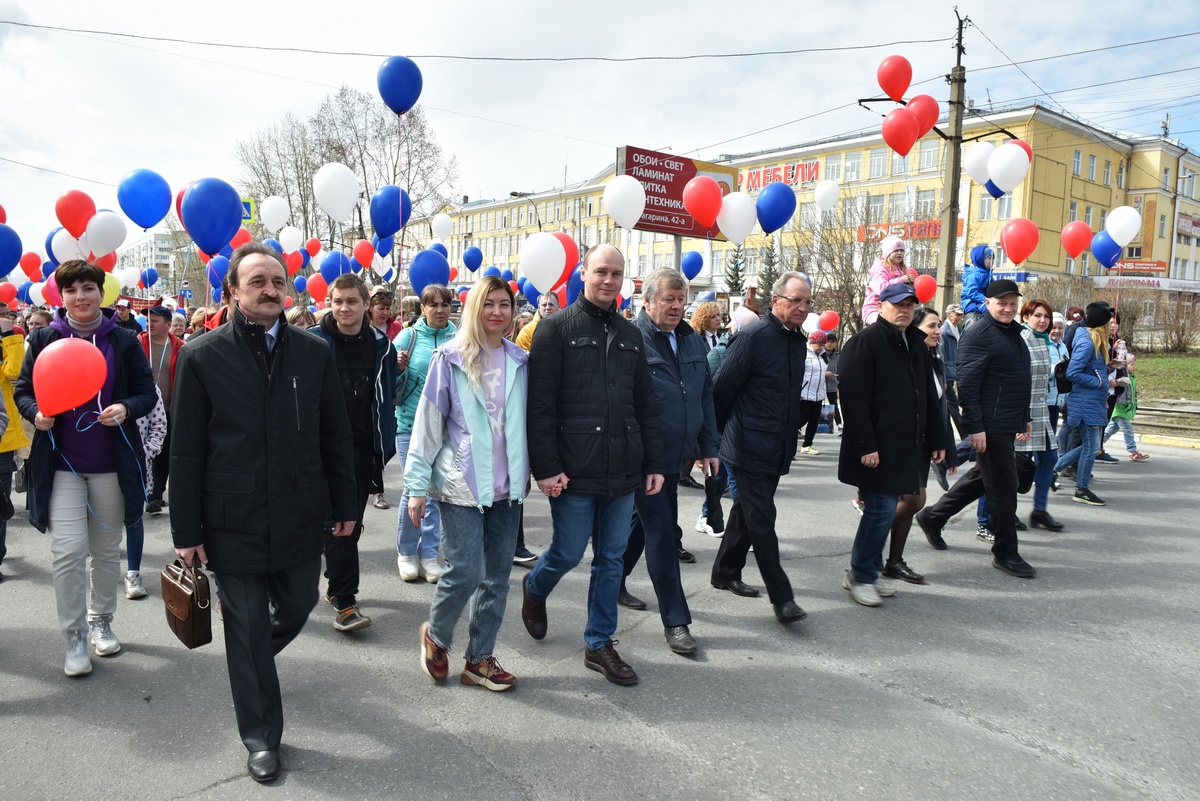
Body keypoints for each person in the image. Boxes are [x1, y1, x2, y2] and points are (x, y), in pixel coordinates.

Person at [170, 242, 357, 783]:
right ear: (233, 291)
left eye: (278, 280)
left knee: (297, 607)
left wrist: (345, 503)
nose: (271, 289)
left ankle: (248, 659)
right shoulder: (202, 355)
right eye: (258, 281)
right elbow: (186, 451)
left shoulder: (314, 351)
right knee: (248, 626)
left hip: (300, 511)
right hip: (232, 519)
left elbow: (335, 435)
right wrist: (187, 531)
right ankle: (260, 738)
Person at [521, 244, 665, 686]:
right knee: (566, 552)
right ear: (583, 273)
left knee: (611, 559)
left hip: (623, 468)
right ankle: (535, 588)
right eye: (601, 271)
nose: (609, 280)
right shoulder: (554, 329)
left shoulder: (630, 334)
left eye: (617, 273)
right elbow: (539, 406)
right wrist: (545, 468)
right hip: (573, 469)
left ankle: (599, 643)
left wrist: (654, 460)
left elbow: (645, 401)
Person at [14, 260, 157, 676]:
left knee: (105, 552)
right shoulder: (43, 338)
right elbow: (25, 390)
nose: (81, 297)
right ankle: (75, 635)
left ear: (102, 293)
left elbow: (146, 394)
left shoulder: (125, 341)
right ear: (62, 297)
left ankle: (101, 621)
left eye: (89, 288)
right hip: (62, 467)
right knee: (67, 552)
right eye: (72, 289)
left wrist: (125, 407)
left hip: (112, 466)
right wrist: (36, 411)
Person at [406, 275, 529, 691]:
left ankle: (479, 660)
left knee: (496, 578)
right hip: (461, 483)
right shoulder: (450, 358)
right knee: (467, 570)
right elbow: (429, 423)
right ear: (475, 308)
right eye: (489, 303)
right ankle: (437, 636)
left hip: (507, 487)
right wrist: (417, 485)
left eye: (505, 304)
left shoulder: (520, 361)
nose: (497, 311)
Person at [618, 268, 718, 655]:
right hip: (645, 459)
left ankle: (611, 584)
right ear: (648, 302)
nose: (677, 307)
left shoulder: (692, 340)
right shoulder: (631, 340)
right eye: (669, 300)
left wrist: (708, 444)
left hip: (678, 454)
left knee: (641, 525)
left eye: (682, 300)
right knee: (662, 533)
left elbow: (704, 395)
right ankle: (676, 620)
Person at [915, 280, 1036, 579]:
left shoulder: (1013, 333)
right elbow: (967, 385)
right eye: (1002, 302)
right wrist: (975, 428)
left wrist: (1025, 416)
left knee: (985, 477)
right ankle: (1006, 552)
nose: (1008, 308)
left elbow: (1016, 380)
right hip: (990, 425)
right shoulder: (978, 335)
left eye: (1012, 303)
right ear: (988, 303)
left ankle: (934, 516)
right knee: (1004, 488)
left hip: (1006, 421)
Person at [710, 271, 812, 623]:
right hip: (747, 444)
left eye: (807, 301)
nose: (802, 307)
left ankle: (724, 571)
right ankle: (782, 598)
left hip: (777, 445)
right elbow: (721, 390)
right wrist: (713, 440)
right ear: (776, 300)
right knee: (764, 519)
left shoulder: (797, 341)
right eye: (796, 300)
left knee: (746, 512)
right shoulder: (753, 338)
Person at [838, 283, 945, 606]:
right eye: (898, 303)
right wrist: (865, 445)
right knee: (880, 510)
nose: (905, 309)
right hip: (876, 448)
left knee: (883, 513)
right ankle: (862, 576)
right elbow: (853, 400)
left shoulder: (913, 342)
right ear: (882, 305)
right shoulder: (864, 343)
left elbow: (926, 395)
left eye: (911, 305)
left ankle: (865, 571)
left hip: (905, 445)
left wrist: (939, 437)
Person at [309, 273, 399, 631]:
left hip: (360, 450)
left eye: (351, 301)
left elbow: (387, 396)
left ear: (365, 304)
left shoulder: (382, 346)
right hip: (314, 450)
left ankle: (342, 595)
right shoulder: (311, 342)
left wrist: (384, 447)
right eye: (337, 301)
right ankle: (342, 596)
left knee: (349, 522)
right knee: (321, 523)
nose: (344, 308)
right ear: (329, 303)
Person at [883, 306, 958, 585]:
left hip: (925, 441)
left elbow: (940, 408)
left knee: (908, 502)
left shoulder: (932, 357)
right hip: (904, 440)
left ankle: (894, 562)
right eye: (931, 326)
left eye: (939, 325)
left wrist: (945, 445)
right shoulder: (907, 359)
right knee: (916, 500)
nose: (938, 331)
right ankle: (867, 543)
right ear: (914, 329)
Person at [394, 285, 456, 582]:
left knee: (434, 493)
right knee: (414, 490)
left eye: (445, 304)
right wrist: (395, 366)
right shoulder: (408, 337)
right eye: (434, 305)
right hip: (409, 426)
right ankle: (407, 552)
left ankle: (430, 554)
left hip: (445, 430)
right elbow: (386, 378)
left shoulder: (459, 337)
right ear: (423, 308)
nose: (440, 310)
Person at [695, 305, 759, 538]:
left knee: (721, 476)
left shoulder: (754, 350)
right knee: (736, 481)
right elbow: (710, 394)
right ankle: (743, 531)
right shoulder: (719, 353)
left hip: (742, 426)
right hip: (724, 428)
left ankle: (705, 516)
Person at [511, 289, 562, 565]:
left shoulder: (564, 326)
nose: (548, 307)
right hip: (525, 411)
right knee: (517, 482)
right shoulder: (527, 333)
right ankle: (513, 544)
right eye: (543, 303)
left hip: (551, 412)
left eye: (552, 303)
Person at [1053, 304, 1113, 506]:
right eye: (1109, 321)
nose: (1112, 324)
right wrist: (1097, 382)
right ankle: (1081, 489)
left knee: (1092, 446)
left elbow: (1090, 368)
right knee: (1091, 447)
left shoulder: (1094, 341)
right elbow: (1073, 373)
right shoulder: (1088, 342)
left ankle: (1054, 469)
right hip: (1086, 400)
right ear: (1102, 324)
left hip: (1091, 400)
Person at [138, 305, 184, 515]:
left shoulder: (180, 347)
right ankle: (153, 495)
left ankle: (156, 492)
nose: (149, 324)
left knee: (164, 453)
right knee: (147, 450)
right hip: (141, 410)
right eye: (148, 320)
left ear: (167, 324)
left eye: (154, 321)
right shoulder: (137, 344)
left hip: (169, 409)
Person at [124, 387, 167, 598]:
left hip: (137, 466)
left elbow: (159, 424)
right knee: (100, 523)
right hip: (101, 468)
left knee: (133, 518)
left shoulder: (147, 387)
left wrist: (147, 452)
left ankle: (133, 574)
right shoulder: (97, 380)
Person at [0, 307, 28, 583]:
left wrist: (8, 334)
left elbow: (16, 370)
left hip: (1, 439)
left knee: (0, 501)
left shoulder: (8, 340)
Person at [1104, 353, 1148, 461]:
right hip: (1120, 409)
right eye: (1131, 364)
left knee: (1110, 431)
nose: (1134, 367)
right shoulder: (1123, 378)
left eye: (1134, 364)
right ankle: (1133, 451)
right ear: (1124, 366)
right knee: (1128, 430)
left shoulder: (1132, 378)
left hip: (1125, 409)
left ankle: (1096, 445)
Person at [861, 236, 911, 325]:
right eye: (895, 251)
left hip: (891, 309)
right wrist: (900, 281)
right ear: (887, 253)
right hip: (874, 309)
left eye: (902, 250)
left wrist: (910, 285)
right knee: (885, 326)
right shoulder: (880, 268)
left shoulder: (901, 269)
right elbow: (880, 288)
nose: (899, 253)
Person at [797, 331, 827, 455]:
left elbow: (820, 373)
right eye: (819, 345)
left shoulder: (823, 355)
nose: (822, 347)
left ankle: (807, 445)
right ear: (812, 343)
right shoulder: (803, 353)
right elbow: (798, 373)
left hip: (818, 393)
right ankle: (786, 441)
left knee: (814, 421)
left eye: (823, 345)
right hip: (804, 394)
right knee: (802, 419)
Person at [959, 245, 993, 330]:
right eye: (989, 258)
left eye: (993, 258)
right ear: (980, 259)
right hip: (972, 303)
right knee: (973, 324)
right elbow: (971, 292)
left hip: (983, 303)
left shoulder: (988, 274)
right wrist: (985, 300)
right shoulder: (974, 275)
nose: (992, 261)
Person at [1046, 313, 1069, 432]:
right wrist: (1055, 368)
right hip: (1045, 399)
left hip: (1057, 399)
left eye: (1060, 328)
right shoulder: (1044, 345)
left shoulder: (1063, 346)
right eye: (1054, 327)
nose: (1057, 331)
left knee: (1052, 433)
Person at [822, 332, 842, 436]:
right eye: (827, 342)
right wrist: (824, 373)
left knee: (834, 405)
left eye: (832, 342)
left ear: (835, 343)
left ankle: (839, 425)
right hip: (820, 385)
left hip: (832, 385)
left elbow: (840, 370)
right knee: (812, 407)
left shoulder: (838, 355)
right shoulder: (820, 353)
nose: (829, 344)